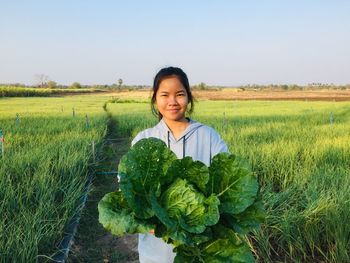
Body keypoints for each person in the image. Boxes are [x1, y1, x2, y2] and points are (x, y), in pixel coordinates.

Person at [131, 66, 229, 263]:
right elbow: (129, 192)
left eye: (180, 94)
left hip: (201, 247)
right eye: (165, 95)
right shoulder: (144, 139)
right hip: (155, 248)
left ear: (189, 97)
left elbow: (226, 181)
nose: (172, 102)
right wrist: (151, 222)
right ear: (155, 99)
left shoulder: (208, 136)